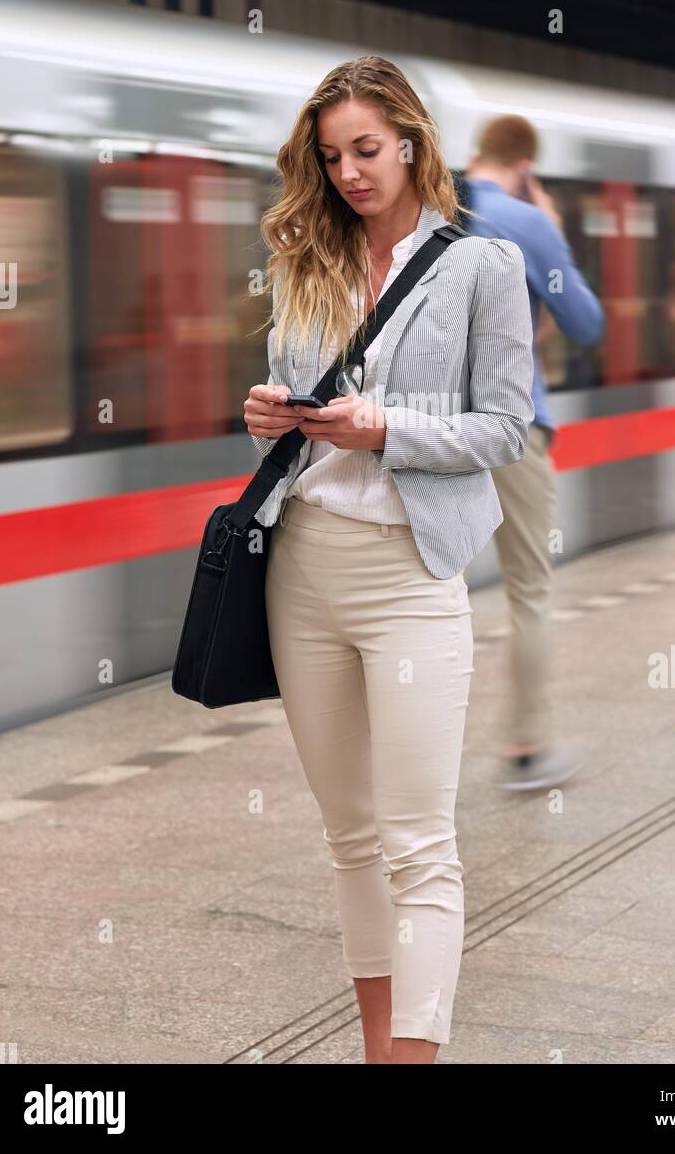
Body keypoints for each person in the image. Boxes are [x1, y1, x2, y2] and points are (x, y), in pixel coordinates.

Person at [243, 58, 534, 1064]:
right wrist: (266, 418)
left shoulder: (480, 266)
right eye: (330, 157)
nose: (350, 172)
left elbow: (502, 429)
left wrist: (387, 431)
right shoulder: (301, 261)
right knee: (350, 840)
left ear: (410, 141)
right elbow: (299, 417)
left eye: (366, 149)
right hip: (303, 569)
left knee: (418, 844)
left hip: (410, 572)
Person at [464, 115, 605, 791]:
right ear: (524, 165)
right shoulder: (525, 220)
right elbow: (586, 324)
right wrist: (549, 226)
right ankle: (525, 744)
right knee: (528, 592)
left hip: (412, 428)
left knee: (413, 591)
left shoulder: (431, 208)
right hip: (511, 425)